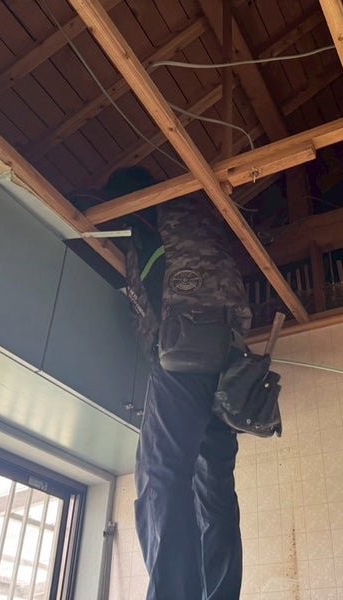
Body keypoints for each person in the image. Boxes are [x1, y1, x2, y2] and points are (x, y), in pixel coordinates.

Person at [90, 167, 252, 599]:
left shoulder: (153, 214)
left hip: (186, 347)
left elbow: (90, 206)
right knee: (213, 487)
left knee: (160, 473)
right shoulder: (197, 219)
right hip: (227, 355)